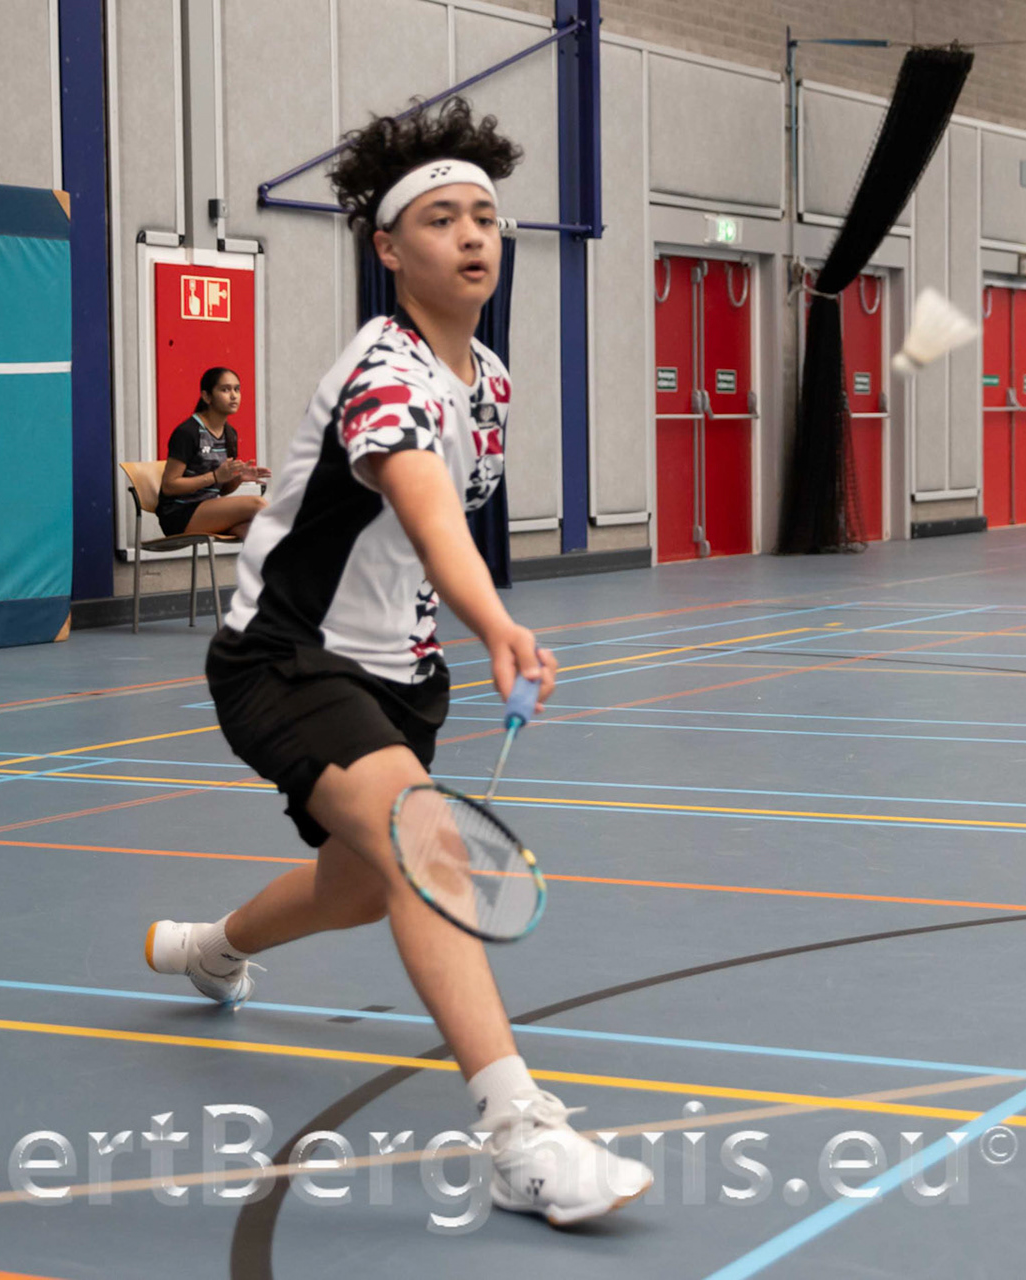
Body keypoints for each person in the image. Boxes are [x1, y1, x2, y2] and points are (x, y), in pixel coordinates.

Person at [144, 99, 652, 1226]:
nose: (471, 235)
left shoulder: (491, 380)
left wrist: (461, 632)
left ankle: (213, 951)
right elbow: (427, 509)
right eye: (440, 219)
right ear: (388, 248)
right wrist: (498, 622)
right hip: (286, 657)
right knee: (430, 848)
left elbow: (432, 531)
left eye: (485, 217)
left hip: (401, 676)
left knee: (359, 889)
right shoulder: (386, 372)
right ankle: (519, 1133)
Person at [154, 367, 269, 539]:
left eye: (237, 389)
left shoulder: (230, 434)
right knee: (258, 504)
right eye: (225, 390)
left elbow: (221, 490)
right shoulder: (188, 432)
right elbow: (169, 486)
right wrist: (214, 476)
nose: (233, 395)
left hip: (208, 509)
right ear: (206, 396)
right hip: (179, 514)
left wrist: (238, 479)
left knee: (256, 531)